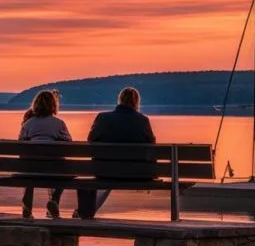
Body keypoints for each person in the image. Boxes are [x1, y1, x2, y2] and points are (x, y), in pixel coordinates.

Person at [76, 87, 156, 218]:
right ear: (137, 102)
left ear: (119, 100)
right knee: (117, 169)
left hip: (104, 171)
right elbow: (151, 146)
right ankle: (85, 213)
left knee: (109, 171)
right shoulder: (143, 120)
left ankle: (84, 213)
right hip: (137, 173)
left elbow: (91, 139)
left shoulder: (103, 118)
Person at [18, 90, 71, 218]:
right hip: (53, 170)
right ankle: (54, 201)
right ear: (54, 105)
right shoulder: (59, 123)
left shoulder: (28, 124)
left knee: (29, 172)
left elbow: (20, 146)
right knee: (66, 173)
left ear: (35, 105)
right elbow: (69, 145)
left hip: (31, 170)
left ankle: (27, 205)